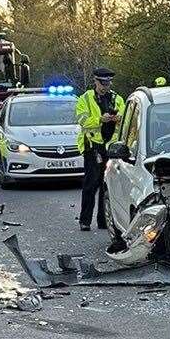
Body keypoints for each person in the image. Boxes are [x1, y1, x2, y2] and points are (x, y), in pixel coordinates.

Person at [75, 66, 125, 231]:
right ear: (95, 81)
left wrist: (118, 119)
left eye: (108, 83)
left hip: (112, 148)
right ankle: (85, 221)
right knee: (91, 185)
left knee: (107, 186)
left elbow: (126, 119)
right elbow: (82, 120)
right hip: (93, 146)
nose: (105, 86)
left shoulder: (117, 99)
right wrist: (100, 119)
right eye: (102, 83)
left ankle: (104, 221)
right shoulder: (86, 99)